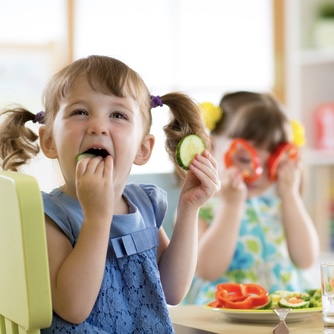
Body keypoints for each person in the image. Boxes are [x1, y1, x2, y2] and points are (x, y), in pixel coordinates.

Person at [0, 55, 220, 333]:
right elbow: (73, 308)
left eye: (118, 115)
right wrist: (97, 217)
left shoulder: (144, 205)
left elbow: (172, 291)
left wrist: (189, 208)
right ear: (49, 141)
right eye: (80, 112)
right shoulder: (49, 216)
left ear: (143, 149)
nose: (98, 126)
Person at [183, 91, 319, 305]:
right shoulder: (199, 205)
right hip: (226, 313)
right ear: (212, 145)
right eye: (245, 159)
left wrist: (291, 196)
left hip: (281, 311)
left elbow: (306, 259)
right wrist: (231, 206)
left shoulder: (279, 204)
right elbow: (206, 269)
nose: (257, 172)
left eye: (271, 163)